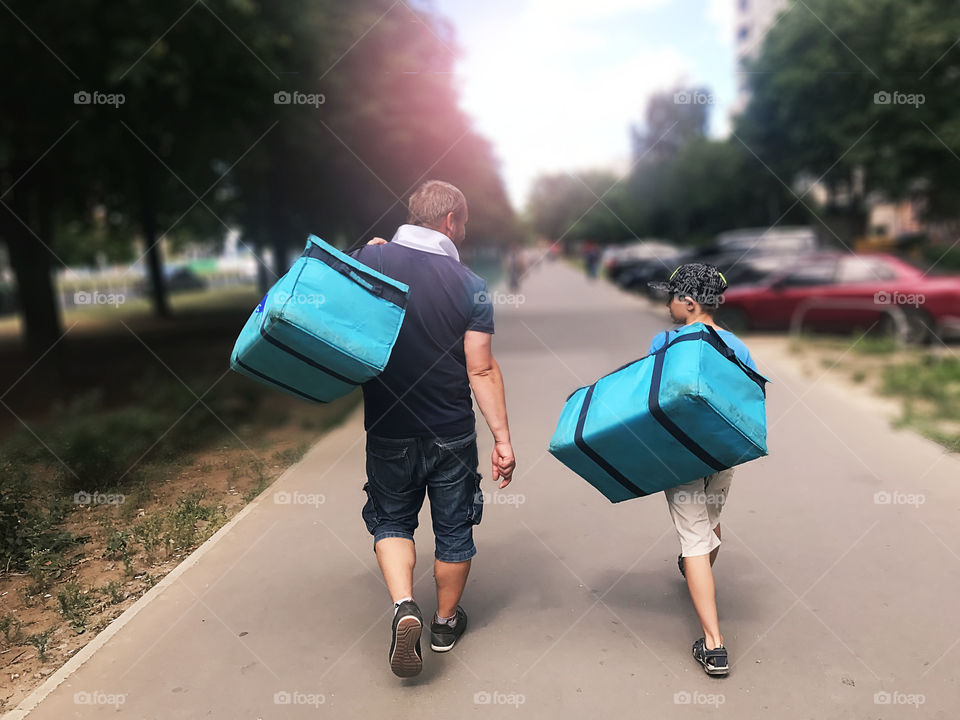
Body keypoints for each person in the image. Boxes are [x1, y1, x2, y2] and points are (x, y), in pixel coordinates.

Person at [353, 180, 516, 678]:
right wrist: (502, 440)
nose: (463, 233)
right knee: (453, 529)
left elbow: (316, 292)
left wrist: (364, 253)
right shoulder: (469, 285)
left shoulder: (368, 261)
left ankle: (405, 606)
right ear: (450, 221)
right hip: (450, 430)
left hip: (387, 427)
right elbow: (481, 369)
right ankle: (445, 624)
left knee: (392, 520)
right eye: (463, 225)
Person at [647, 263, 759, 677]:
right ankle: (696, 569)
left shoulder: (666, 342)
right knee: (709, 525)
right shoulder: (737, 346)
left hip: (682, 455)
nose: (666, 303)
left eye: (672, 297)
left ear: (690, 303)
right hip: (724, 453)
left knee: (694, 540)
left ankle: (714, 645)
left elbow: (653, 398)